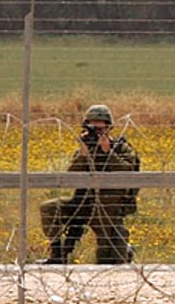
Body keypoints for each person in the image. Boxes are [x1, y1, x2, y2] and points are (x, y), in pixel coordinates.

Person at [39, 104, 139, 264]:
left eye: (99, 129)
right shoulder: (85, 150)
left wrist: (108, 153)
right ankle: (57, 251)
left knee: (110, 260)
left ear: (108, 127)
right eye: (92, 127)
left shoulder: (121, 148)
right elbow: (71, 174)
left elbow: (128, 172)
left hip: (109, 208)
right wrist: (83, 155)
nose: (96, 133)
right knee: (49, 208)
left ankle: (125, 250)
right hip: (82, 203)